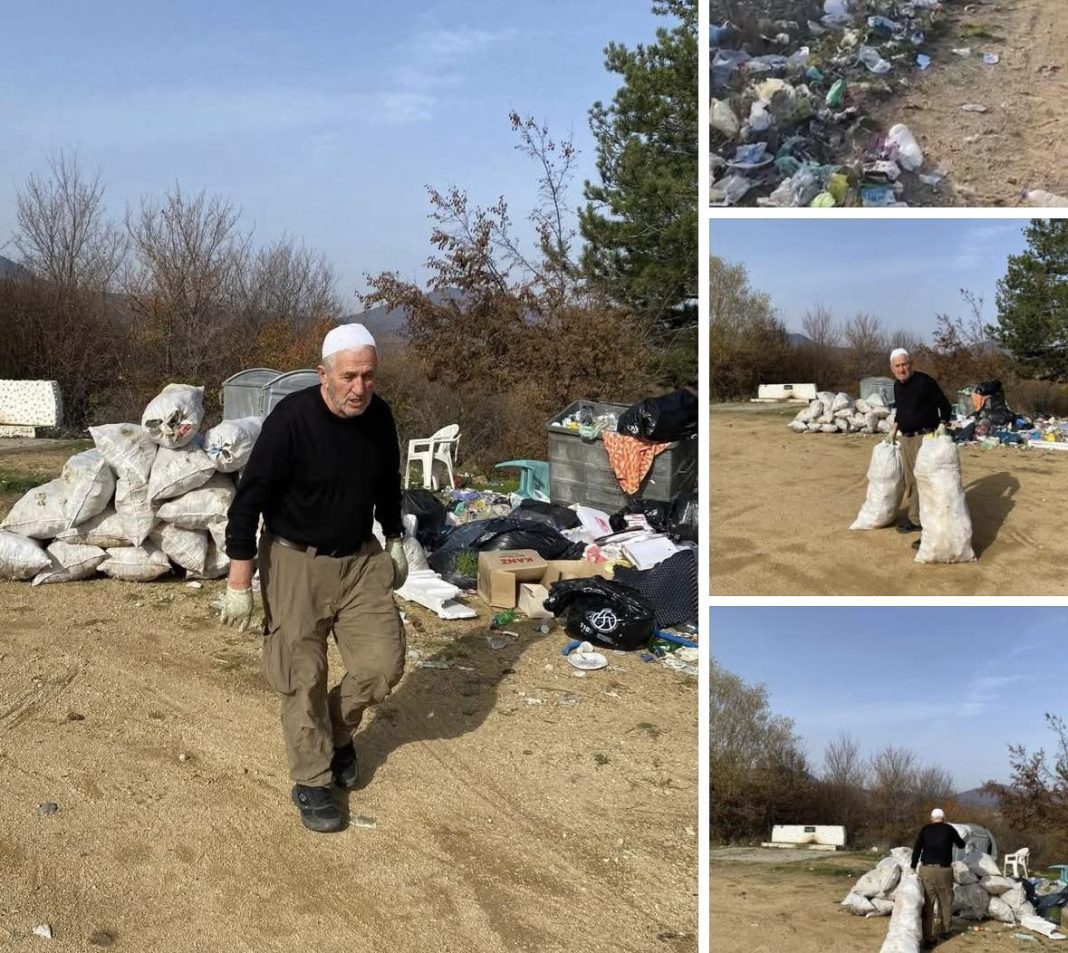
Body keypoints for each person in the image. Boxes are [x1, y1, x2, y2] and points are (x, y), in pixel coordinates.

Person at [220, 323, 409, 833]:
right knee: (300, 675)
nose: (360, 388)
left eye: (369, 376)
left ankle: (337, 730)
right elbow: (249, 500)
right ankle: (313, 778)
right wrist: (240, 581)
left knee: (382, 664)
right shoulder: (291, 420)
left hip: (360, 560)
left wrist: (394, 538)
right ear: (323, 374)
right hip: (294, 561)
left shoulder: (379, 416)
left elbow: (388, 482)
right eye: (349, 376)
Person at [890, 348, 953, 540]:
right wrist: (893, 430)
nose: (902, 369)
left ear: (911, 364)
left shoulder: (924, 382)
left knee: (926, 482)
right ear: (892, 368)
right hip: (906, 438)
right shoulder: (897, 386)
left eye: (904, 364)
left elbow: (945, 406)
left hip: (926, 439)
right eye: (897, 366)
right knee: (911, 482)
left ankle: (930, 527)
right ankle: (916, 519)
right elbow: (901, 412)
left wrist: (942, 425)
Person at [910, 808, 965, 947]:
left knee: (928, 903)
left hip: (926, 870)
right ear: (943, 818)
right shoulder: (949, 829)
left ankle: (928, 937)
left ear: (931, 818)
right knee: (945, 900)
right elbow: (961, 844)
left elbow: (917, 848)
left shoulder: (925, 829)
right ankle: (945, 930)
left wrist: (913, 865)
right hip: (944, 870)